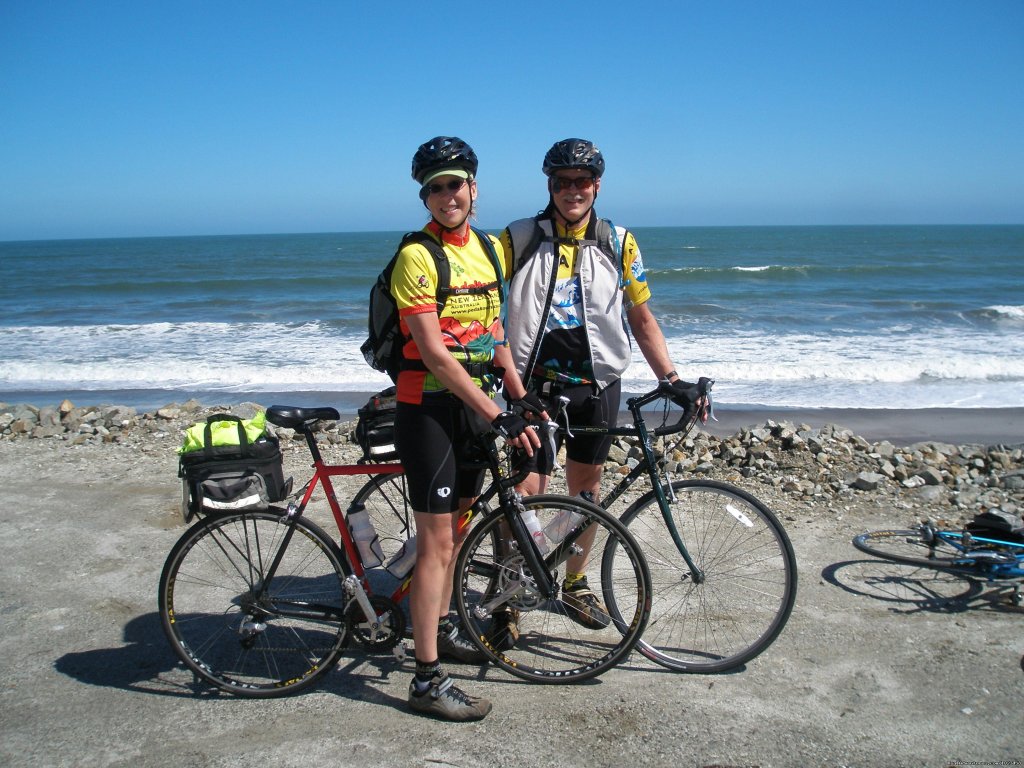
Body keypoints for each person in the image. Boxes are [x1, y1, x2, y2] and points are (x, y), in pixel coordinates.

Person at [500, 137, 697, 631]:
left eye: (581, 182)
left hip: (598, 384)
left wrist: (670, 379)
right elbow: (477, 303)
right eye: (562, 182)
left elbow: (640, 314)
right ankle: (509, 591)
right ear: (549, 185)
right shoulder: (518, 238)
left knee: (586, 492)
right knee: (526, 493)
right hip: (533, 388)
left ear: (596, 185)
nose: (572, 190)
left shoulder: (618, 241)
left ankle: (572, 583)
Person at [392, 136, 541, 721]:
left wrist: (521, 399)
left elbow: (495, 332)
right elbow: (433, 353)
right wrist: (494, 410)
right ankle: (425, 682)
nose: (446, 195)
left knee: (456, 531)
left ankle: (445, 626)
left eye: (455, 184)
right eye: (434, 187)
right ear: (425, 196)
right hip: (429, 410)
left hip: (475, 407)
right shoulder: (416, 257)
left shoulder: (487, 249)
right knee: (437, 544)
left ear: (474, 189)